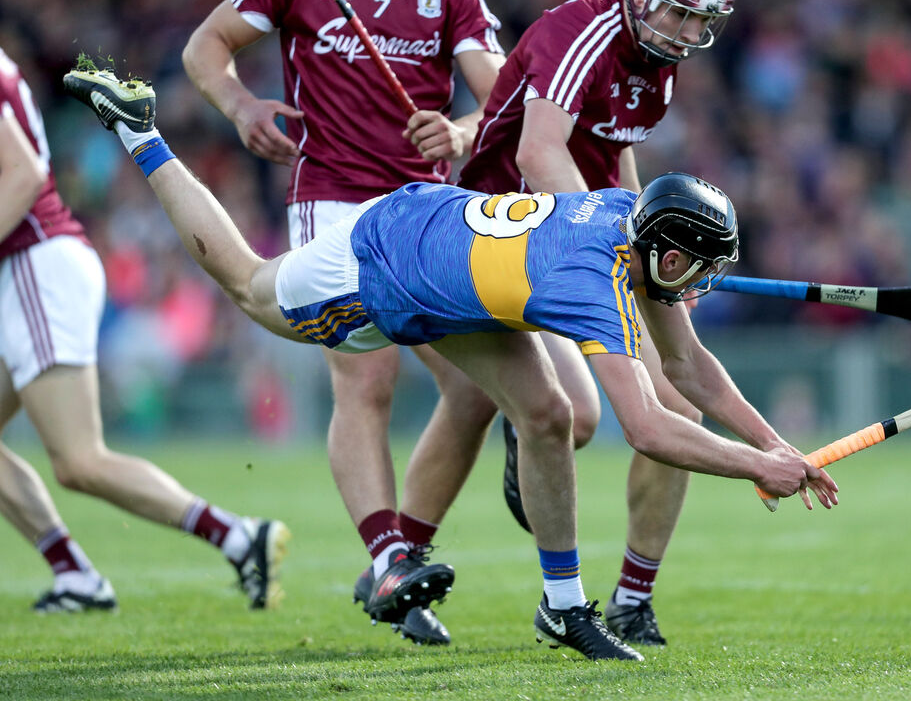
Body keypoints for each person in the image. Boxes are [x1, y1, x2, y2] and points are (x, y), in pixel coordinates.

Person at [64, 66, 839, 661]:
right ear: (665, 252)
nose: (701, 286)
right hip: (388, 260)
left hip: (461, 280)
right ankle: (141, 133)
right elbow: (650, 430)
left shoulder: (626, 226)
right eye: (697, 269)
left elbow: (694, 370)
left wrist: (776, 447)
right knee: (246, 282)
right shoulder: (599, 281)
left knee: (547, 413)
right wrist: (753, 467)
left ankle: (564, 608)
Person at [402, 0, 741, 646]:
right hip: (504, 235)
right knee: (571, 419)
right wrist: (617, 238)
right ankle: (410, 545)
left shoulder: (659, 63)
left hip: (581, 239)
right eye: (681, 10)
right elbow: (537, 148)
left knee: (677, 403)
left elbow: (616, 162)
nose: (688, 30)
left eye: (701, 19)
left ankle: (631, 598)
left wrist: (661, 240)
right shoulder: (578, 31)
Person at [182, 0, 505, 644]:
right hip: (331, 201)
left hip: (424, 210)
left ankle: (400, 555)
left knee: (475, 391)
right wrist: (238, 106)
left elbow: (498, 101)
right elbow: (208, 46)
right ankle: (388, 550)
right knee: (367, 379)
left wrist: (456, 131)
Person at [0, 47, 288, 614]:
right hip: (33, 268)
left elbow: (24, 173)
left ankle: (236, 535)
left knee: (80, 461)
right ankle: (75, 575)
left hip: (35, 264)